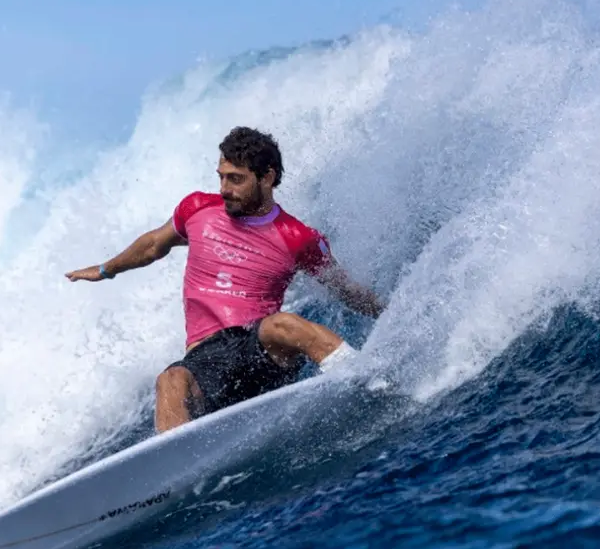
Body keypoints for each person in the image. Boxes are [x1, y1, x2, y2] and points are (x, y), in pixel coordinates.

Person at [66, 126, 384, 432]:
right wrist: (106, 269)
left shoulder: (297, 238)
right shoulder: (197, 209)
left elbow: (345, 289)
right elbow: (152, 245)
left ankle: (370, 378)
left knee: (282, 325)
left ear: (267, 177)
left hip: (260, 352)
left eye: (236, 180)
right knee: (170, 380)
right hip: (207, 360)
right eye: (221, 177)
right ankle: (175, 467)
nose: (224, 189)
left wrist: (389, 312)